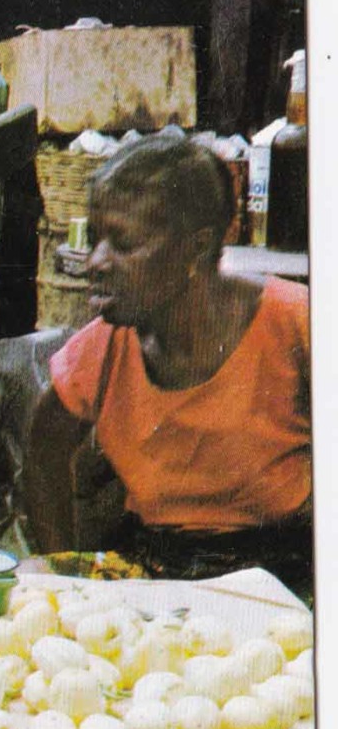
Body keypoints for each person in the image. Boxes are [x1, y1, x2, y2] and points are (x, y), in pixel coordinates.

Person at [23, 131, 312, 599]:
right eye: (95, 239)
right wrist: (64, 573)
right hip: (157, 569)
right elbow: (45, 446)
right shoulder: (102, 349)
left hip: (286, 572)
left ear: (196, 248)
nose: (96, 261)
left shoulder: (297, 324)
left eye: (124, 243)